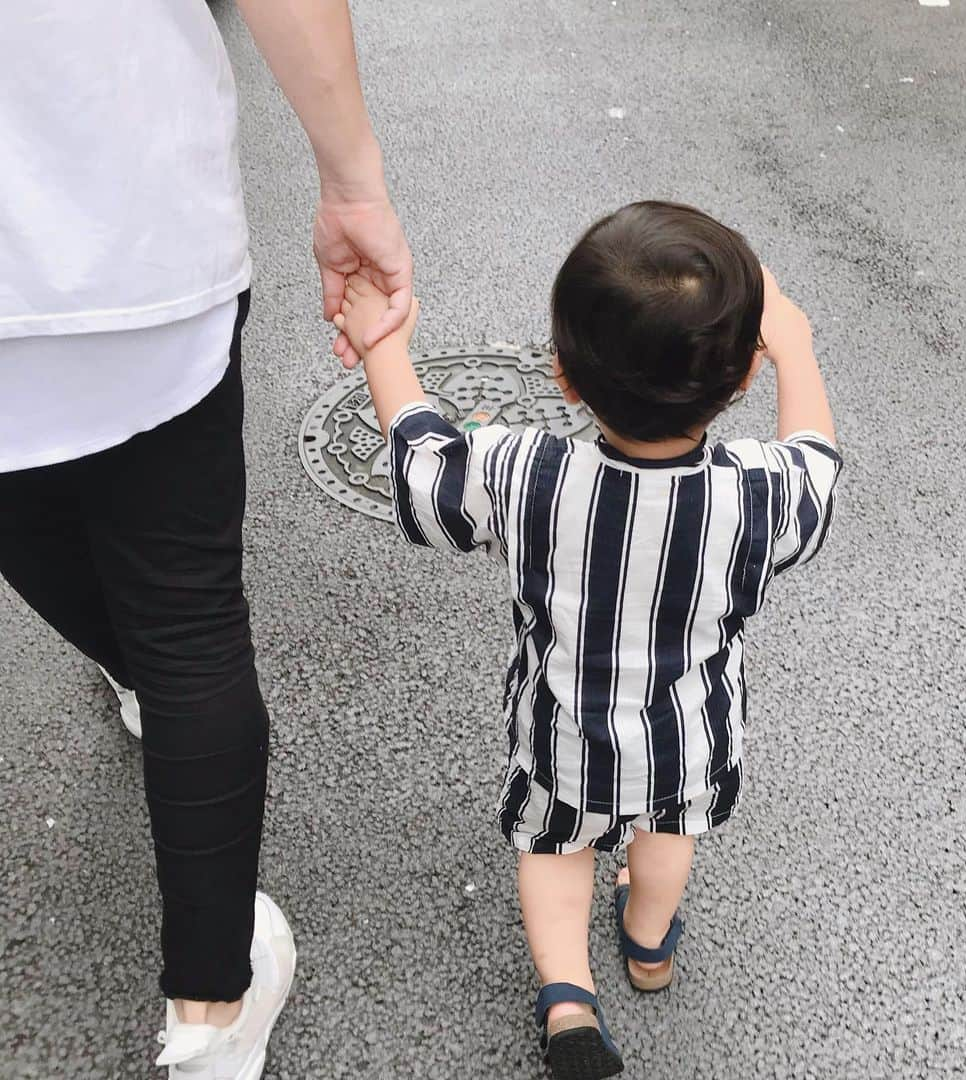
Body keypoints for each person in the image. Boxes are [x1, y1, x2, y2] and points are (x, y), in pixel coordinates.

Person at [331, 201, 841, 1079]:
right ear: (742, 378)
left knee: (555, 851)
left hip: (562, 735)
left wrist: (385, 348)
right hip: (689, 743)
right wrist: (794, 345)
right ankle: (647, 946)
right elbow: (817, 458)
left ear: (563, 375)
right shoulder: (761, 495)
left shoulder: (527, 472)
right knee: (668, 837)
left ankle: (569, 1002)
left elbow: (422, 463)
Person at [0, 2, 411, 1076]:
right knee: (185, 618)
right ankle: (211, 1017)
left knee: (25, 520)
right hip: (128, 224)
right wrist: (353, 179)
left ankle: (132, 666)